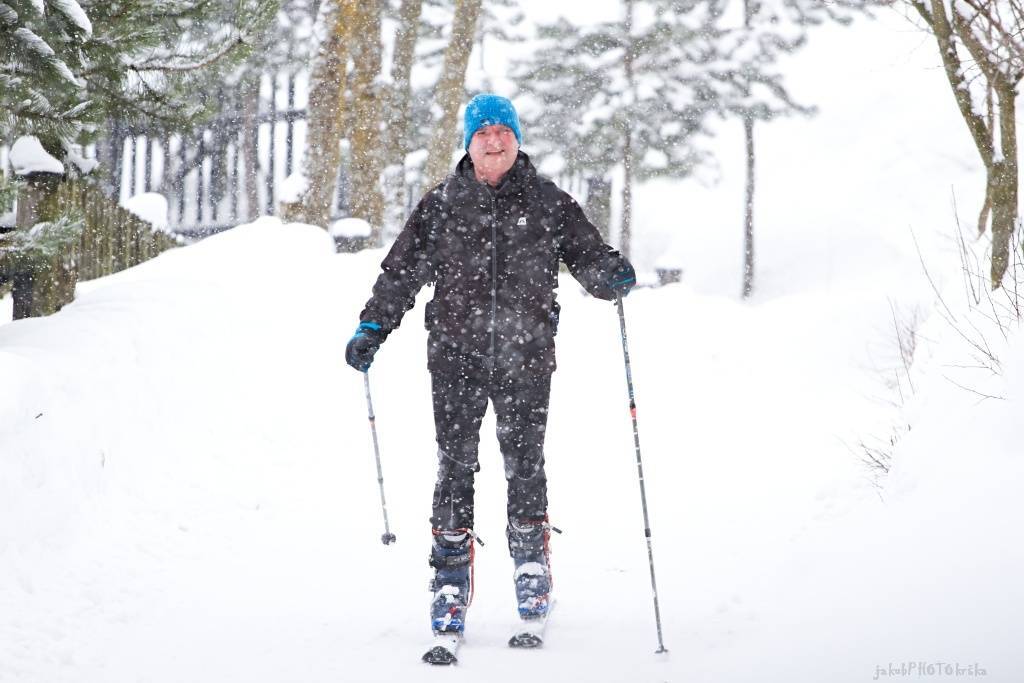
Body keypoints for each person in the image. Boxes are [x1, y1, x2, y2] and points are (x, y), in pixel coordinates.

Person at [345, 93, 635, 638]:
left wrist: (610, 275)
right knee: (455, 463)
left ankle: (531, 564)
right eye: (484, 133)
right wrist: (373, 327)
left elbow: (589, 258)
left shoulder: (549, 202)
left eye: (504, 131)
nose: (495, 141)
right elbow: (401, 275)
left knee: (525, 461)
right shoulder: (442, 205)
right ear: (469, 143)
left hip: (527, 356)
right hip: (455, 357)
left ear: (517, 139)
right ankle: (449, 576)